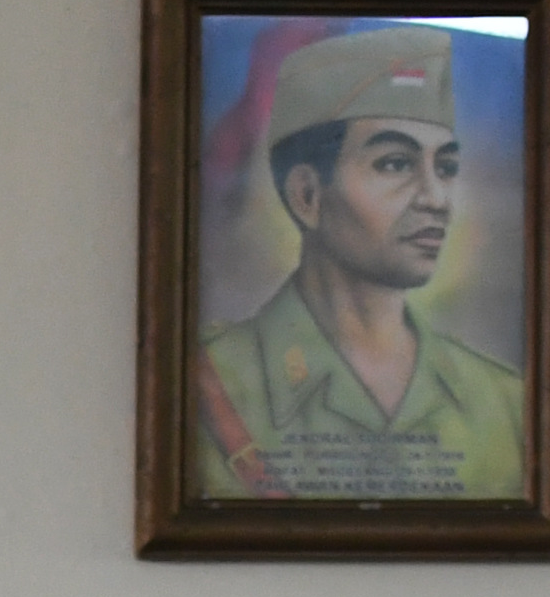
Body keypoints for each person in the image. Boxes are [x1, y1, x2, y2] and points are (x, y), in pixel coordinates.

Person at [193, 26, 527, 502]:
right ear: (307, 195)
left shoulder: (505, 404)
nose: (436, 198)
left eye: (446, 167)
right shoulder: (209, 386)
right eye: (395, 164)